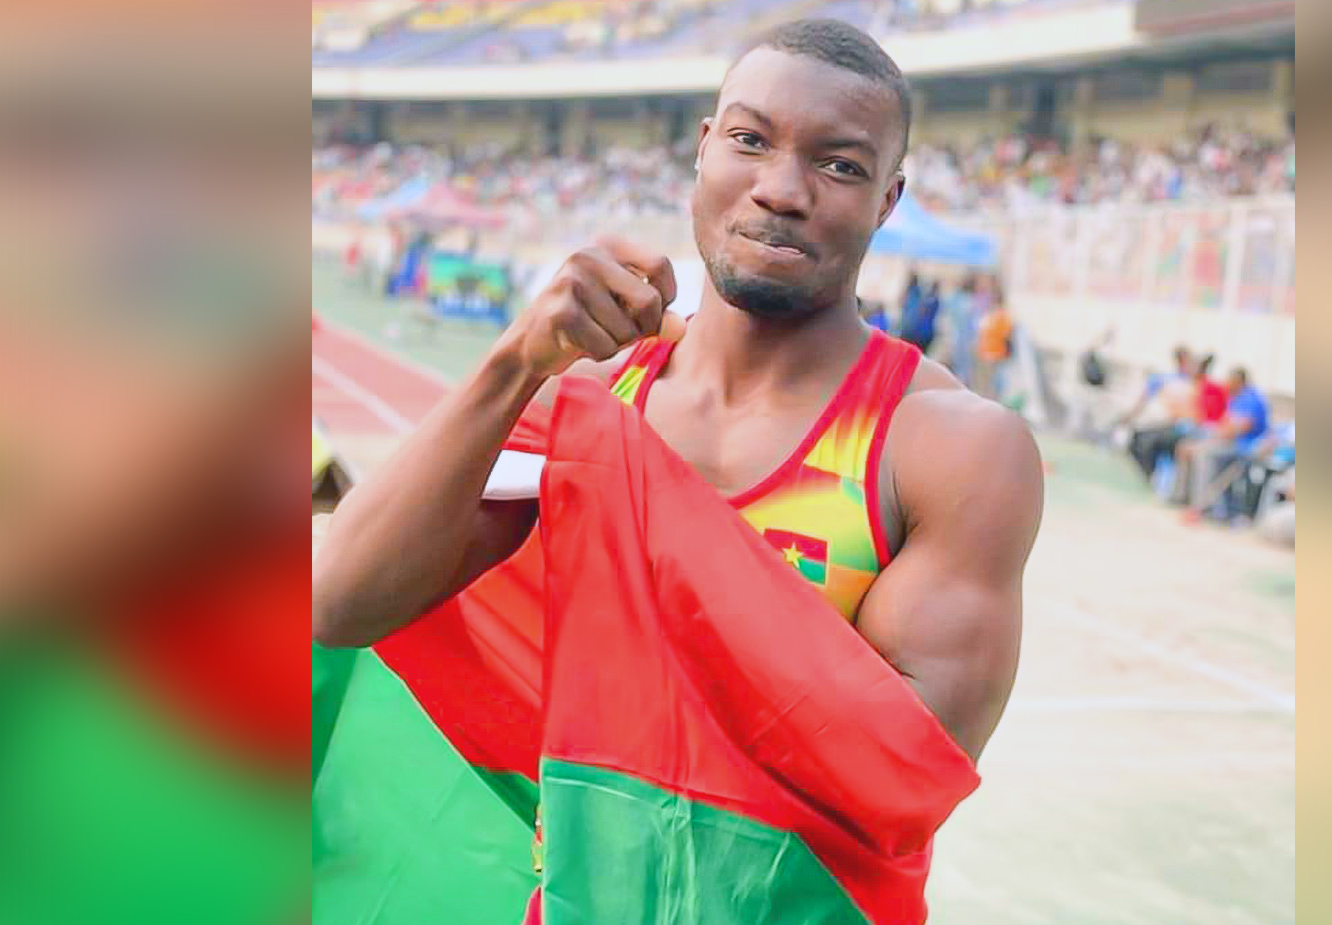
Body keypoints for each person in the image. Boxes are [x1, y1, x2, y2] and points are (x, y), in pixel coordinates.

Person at [314, 11, 1040, 891]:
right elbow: (340, 603)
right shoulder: (589, 403)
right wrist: (515, 362)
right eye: (750, 139)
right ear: (703, 149)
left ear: (888, 199)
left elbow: (893, 781)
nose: (781, 188)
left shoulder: (948, 448)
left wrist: (647, 538)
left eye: (839, 164)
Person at [1181, 366, 1271, 519]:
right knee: (1187, 446)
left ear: (1238, 382)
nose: (1226, 385)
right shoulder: (1236, 397)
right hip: (1231, 444)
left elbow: (1238, 429)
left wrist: (1208, 441)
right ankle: (1189, 499)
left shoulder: (1252, 399)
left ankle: (1201, 506)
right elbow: (1225, 424)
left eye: (1229, 382)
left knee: (1204, 454)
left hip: (1247, 449)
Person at [1121, 345, 1195, 479]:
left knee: (1150, 442)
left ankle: (1148, 477)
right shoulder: (1165, 379)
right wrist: (1129, 417)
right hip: (1161, 425)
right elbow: (1144, 400)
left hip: (1178, 428)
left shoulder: (1194, 384)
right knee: (1138, 439)